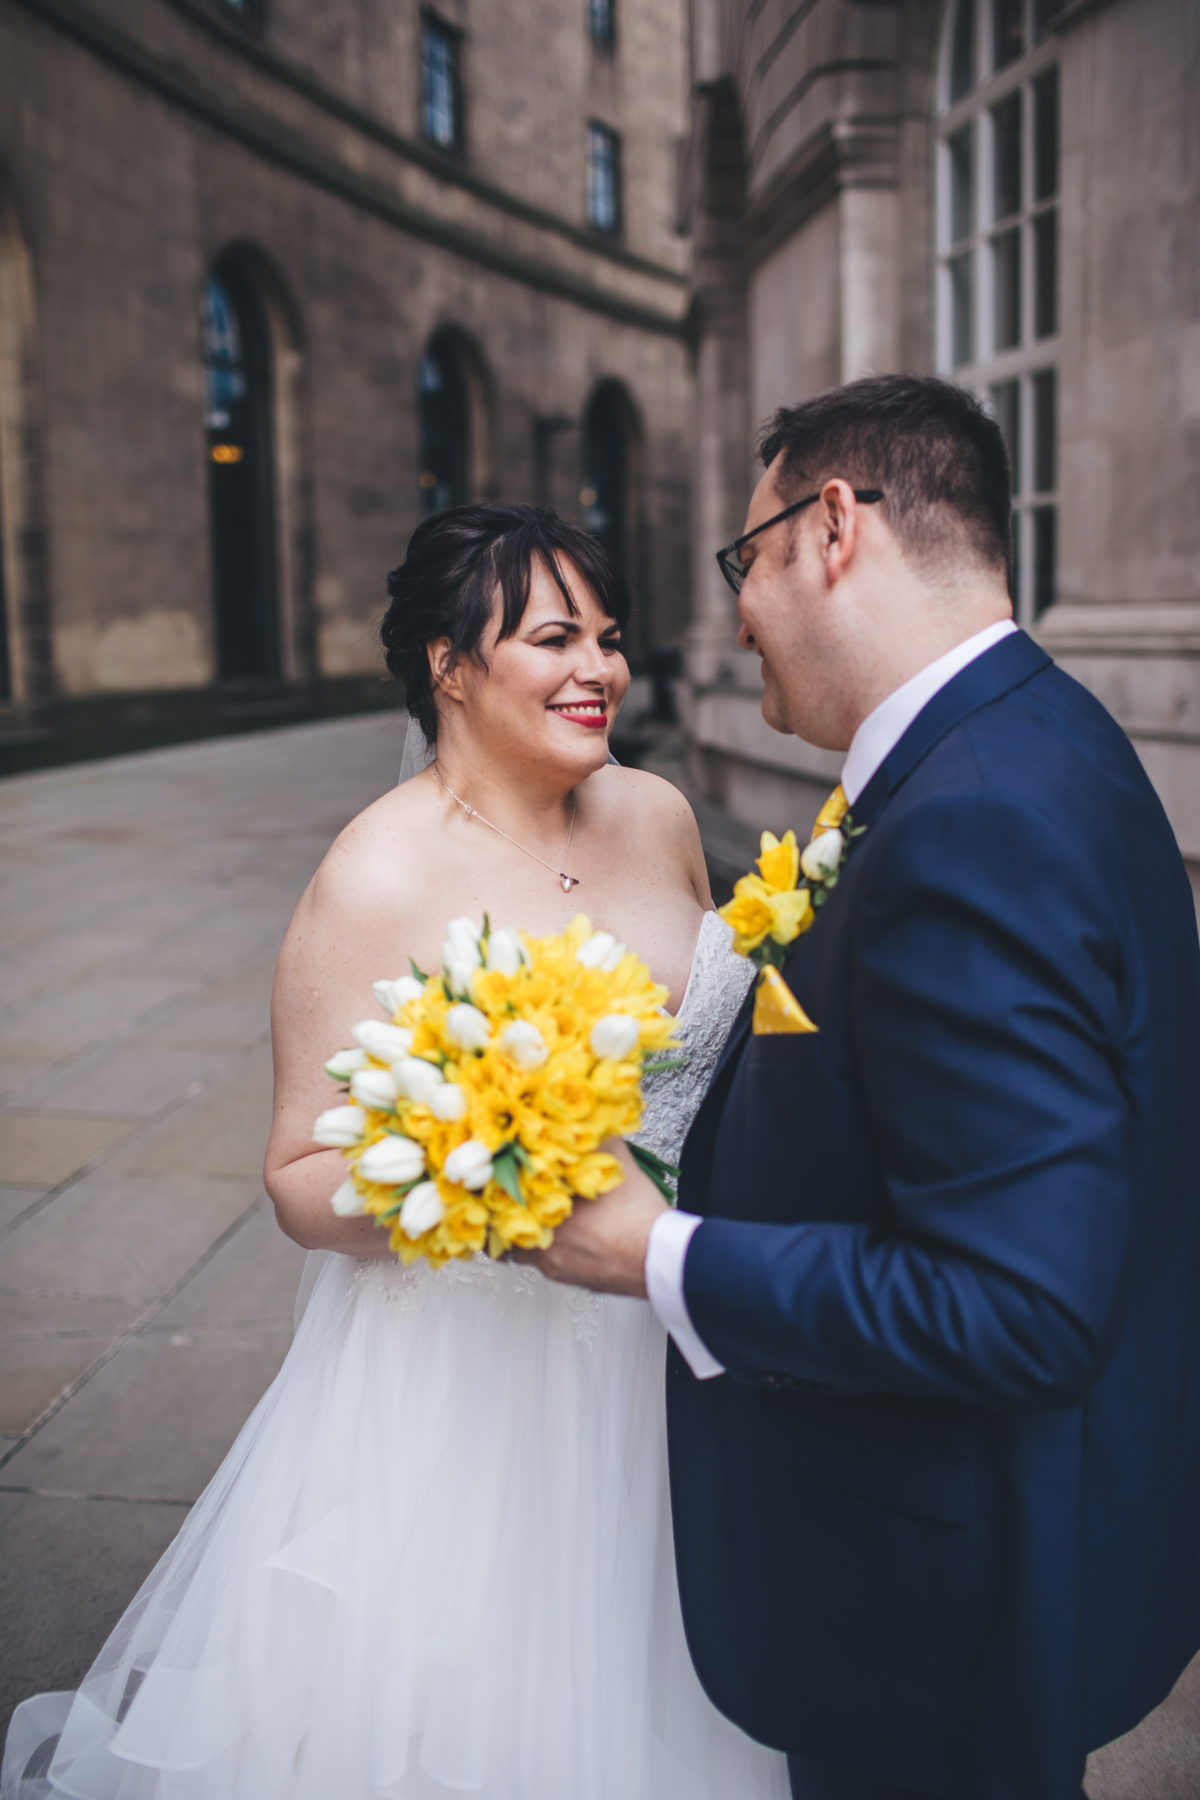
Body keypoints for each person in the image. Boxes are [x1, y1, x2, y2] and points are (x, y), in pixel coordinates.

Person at [0, 502, 788, 1800]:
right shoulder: (376, 875)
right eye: (554, 638)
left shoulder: (654, 812)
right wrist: (493, 1175)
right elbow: (302, 1180)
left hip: (674, 1339)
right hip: (477, 1382)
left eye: (609, 637)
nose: (600, 669)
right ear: (449, 663)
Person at [522, 376, 1200, 1800]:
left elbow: (1019, 1307)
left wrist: (662, 1254)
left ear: (832, 527)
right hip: (1004, 1548)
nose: (739, 610)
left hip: (937, 1604)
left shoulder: (979, 818)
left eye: (744, 560)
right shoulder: (1027, 740)